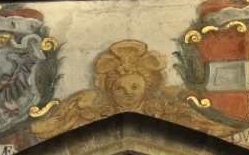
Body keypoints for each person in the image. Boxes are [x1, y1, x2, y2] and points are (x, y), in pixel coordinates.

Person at [32, 40, 233, 141]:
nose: (128, 92)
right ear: (109, 91)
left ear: (148, 87)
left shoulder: (169, 110)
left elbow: (201, 124)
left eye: (135, 86)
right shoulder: (90, 112)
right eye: (120, 88)